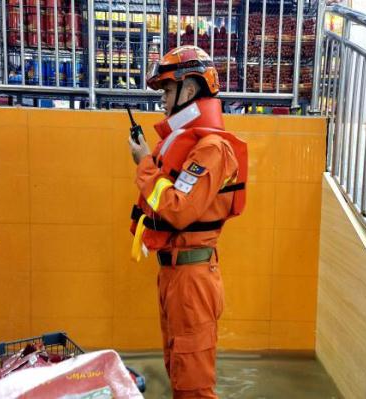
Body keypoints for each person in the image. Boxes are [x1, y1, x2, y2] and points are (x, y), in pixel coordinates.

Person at [127, 45, 247, 398]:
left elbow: (178, 208)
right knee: (179, 375)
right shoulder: (190, 144)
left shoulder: (212, 149)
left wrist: (143, 164)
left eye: (166, 91)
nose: (162, 100)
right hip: (175, 276)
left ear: (190, 90)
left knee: (194, 387)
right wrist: (149, 159)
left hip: (192, 280)